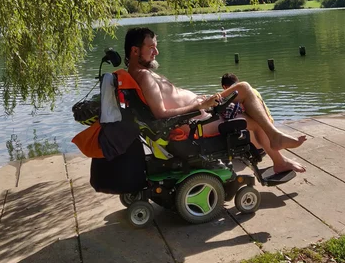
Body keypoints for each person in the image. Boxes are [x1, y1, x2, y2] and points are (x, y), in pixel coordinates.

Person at [125, 27, 306, 173]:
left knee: (244, 92)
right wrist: (200, 105)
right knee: (249, 105)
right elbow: (161, 113)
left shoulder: (139, 75)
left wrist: (201, 102)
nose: (156, 52)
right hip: (193, 122)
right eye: (151, 47)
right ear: (135, 51)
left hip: (200, 112)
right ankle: (277, 148)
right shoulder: (145, 77)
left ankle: (278, 150)